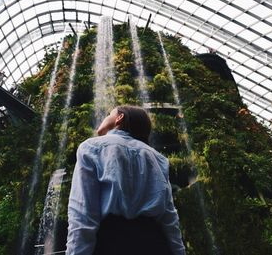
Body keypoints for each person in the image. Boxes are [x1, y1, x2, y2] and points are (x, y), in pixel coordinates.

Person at [66, 105, 186, 255]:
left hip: (111, 242)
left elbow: (82, 212)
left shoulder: (91, 147)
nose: (104, 117)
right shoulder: (158, 158)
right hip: (155, 243)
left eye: (109, 114)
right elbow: (169, 218)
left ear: (119, 117)